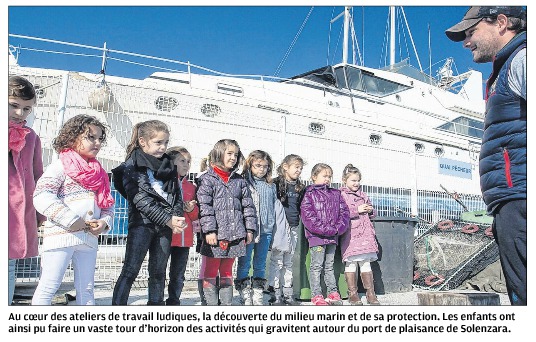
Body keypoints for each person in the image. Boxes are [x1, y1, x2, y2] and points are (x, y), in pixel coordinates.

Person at [446, 6, 526, 305]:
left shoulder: (522, 59)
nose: (467, 41)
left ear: (502, 23)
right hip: (513, 195)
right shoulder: (506, 68)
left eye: (471, 32)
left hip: (521, 194)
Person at [32, 114, 115, 305]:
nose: (97, 143)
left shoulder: (100, 173)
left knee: (86, 289)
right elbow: (41, 196)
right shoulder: (60, 166)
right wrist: (71, 220)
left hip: (89, 239)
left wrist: (104, 223)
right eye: (90, 137)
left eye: (100, 138)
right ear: (72, 138)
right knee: (49, 286)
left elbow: (108, 204)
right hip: (61, 236)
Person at [111, 120, 186, 305]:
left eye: (166, 142)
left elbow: (176, 195)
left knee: (159, 272)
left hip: (165, 227)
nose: (163, 147)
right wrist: (168, 219)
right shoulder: (131, 166)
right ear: (143, 142)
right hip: (142, 225)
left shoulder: (169, 166)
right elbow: (140, 200)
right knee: (130, 270)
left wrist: (176, 218)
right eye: (158, 142)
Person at [196, 139, 257, 306]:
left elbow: (248, 207)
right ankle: (210, 304)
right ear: (218, 154)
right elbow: (204, 207)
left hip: (236, 235)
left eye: (236, 154)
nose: (233, 158)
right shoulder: (207, 180)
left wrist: (250, 229)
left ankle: (226, 305)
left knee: (227, 271)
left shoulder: (240, 181)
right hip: (215, 236)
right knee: (210, 270)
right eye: (229, 153)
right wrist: (209, 231)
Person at [8, 76, 44, 305]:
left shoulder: (32, 138)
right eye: (13, 105)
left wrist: (40, 214)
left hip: (17, 212)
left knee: (9, 265)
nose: (20, 113)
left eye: (27, 108)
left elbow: (38, 175)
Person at [300, 163, 349, 306]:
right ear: (314, 177)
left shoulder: (336, 194)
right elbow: (308, 216)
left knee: (329, 265)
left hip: (333, 237)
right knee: (316, 266)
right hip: (317, 238)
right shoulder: (309, 193)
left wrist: (337, 229)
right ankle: (316, 295)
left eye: (329, 176)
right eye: (324, 176)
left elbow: (344, 213)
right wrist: (327, 230)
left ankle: (333, 293)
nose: (327, 179)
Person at [235, 150, 279, 305]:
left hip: (266, 229)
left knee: (260, 263)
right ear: (250, 165)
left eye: (265, 166)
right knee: (244, 262)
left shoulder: (271, 186)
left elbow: (274, 207)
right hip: (249, 230)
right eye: (258, 166)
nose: (261, 169)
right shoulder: (244, 182)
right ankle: (244, 293)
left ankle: (258, 294)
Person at [267, 154, 305, 305]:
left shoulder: (299, 187)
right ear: (285, 167)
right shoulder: (275, 184)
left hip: (293, 226)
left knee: (288, 261)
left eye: (301, 168)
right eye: (296, 167)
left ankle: (287, 293)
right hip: (279, 228)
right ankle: (274, 293)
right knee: (277, 260)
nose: (299, 170)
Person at [339, 164, 379, 305]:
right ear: (345, 180)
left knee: (366, 263)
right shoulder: (342, 195)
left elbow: (374, 213)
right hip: (351, 234)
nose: (356, 183)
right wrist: (357, 209)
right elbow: (341, 213)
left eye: (358, 180)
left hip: (365, 234)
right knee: (351, 263)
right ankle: (353, 294)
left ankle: (370, 293)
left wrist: (370, 210)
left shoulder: (363, 195)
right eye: (353, 180)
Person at [165, 146, 199, 305]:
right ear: (172, 163)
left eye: (189, 161)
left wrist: (192, 209)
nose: (186, 164)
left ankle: (174, 301)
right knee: (158, 272)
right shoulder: (163, 183)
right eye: (182, 161)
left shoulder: (191, 187)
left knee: (178, 274)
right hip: (165, 236)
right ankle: (156, 300)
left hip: (184, 240)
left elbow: (195, 215)